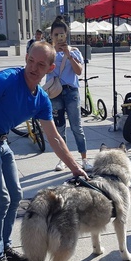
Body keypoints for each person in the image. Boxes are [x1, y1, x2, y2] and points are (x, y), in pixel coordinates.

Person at [0, 41, 88, 261]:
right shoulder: (7, 79)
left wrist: (76, 169)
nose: (33, 68)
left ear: (50, 68)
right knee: (0, 198)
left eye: (40, 64)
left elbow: (55, 139)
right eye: (30, 61)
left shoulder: (41, 100)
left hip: (1, 140)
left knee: (16, 195)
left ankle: (4, 247)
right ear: (26, 58)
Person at [46, 16, 93, 172]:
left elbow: (79, 71)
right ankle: (62, 160)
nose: (59, 38)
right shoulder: (48, 52)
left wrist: (68, 54)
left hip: (71, 92)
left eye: (62, 35)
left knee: (77, 127)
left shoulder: (74, 51)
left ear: (66, 35)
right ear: (51, 36)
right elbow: (43, 71)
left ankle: (84, 159)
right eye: (55, 35)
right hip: (55, 93)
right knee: (59, 129)